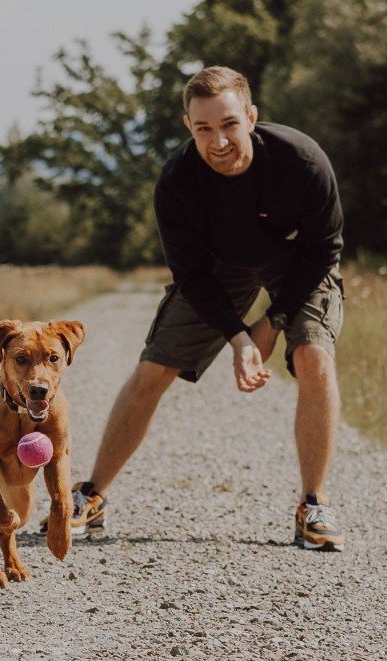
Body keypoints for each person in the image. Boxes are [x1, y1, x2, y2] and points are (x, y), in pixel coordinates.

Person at [65, 65, 346, 551]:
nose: (218, 141)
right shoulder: (177, 181)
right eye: (204, 129)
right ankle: (91, 495)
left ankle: (313, 505)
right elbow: (192, 275)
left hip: (297, 261)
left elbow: (324, 249)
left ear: (251, 117)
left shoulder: (302, 161)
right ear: (188, 127)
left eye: (229, 124)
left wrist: (273, 322)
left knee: (313, 356)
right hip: (219, 268)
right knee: (154, 368)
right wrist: (238, 337)